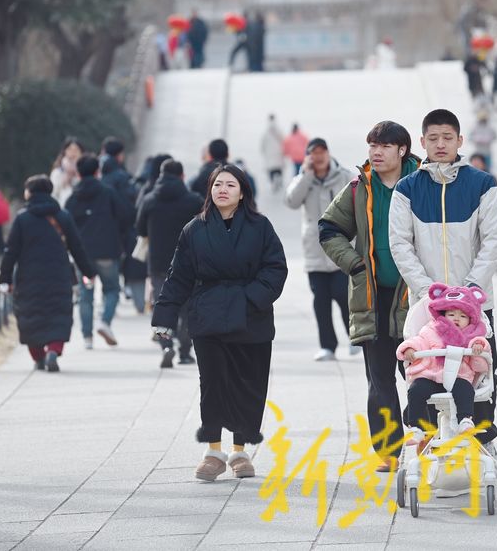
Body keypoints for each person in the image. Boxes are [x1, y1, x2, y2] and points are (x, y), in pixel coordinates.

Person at [151, 164, 287, 482]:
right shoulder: (194, 229)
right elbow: (178, 276)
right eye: (217, 185)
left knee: (248, 383)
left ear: (242, 193)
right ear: (210, 190)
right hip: (208, 316)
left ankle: (240, 450)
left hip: (251, 318)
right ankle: (213, 450)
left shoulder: (260, 226)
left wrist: (251, 299)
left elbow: (276, 268)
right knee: (212, 383)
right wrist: (164, 316)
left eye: (230, 185)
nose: (222, 190)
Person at [389, 108, 497, 451]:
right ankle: (428, 436)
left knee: (481, 369)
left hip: (476, 305)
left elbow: (494, 242)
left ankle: (479, 439)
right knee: (423, 371)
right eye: (434, 138)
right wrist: (427, 292)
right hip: (426, 307)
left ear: (460, 141)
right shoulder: (406, 189)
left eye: (448, 138)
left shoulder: (483, 185)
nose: (441, 144)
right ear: (422, 142)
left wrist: (471, 290)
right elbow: (399, 244)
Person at [320, 121, 420, 470]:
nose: (375, 153)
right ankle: (389, 452)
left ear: (402, 150)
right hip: (373, 298)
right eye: (372, 146)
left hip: (417, 298)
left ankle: (427, 439)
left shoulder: (423, 184)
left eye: (383, 146)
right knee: (379, 379)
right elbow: (329, 229)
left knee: (422, 374)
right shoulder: (358, 189)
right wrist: (355, 266)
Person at [0, 175, 96, 372]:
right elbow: (77, 247)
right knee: (58, 313)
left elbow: (11, 252)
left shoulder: (22, 218)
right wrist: (88, 272)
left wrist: (5, 279)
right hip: (58, 275)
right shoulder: (63, 216)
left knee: (30, 316)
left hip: (28, 277)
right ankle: (53, 350)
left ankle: (39, 357)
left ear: (29, 193)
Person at [284, 137, 352, 361]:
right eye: (314, 153)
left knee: (345, 296)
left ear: (328, 153)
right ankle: (328, 346)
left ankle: (355, 339)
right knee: (320, 301)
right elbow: (291, 201)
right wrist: (306, 176)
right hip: (315, 250)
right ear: (308, 156)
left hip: (341, 249)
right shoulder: (304, 179)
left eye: (322, 151)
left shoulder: (344, 176)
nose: (319, 156)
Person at [397, 283, 491, 444]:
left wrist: (478, 347)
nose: (456, 318)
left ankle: (465, 420)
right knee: (416, 390)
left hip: (458, 376)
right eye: (451, 314)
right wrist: (410, 349)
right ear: (442, 314)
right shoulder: (432, 329)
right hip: (431, 376)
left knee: (465, 390)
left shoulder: (473, 336)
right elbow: (420, 341)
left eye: (462, 316)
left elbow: (480, 366)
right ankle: (416, 427)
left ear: (471, 319)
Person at [137, 159, 204, 368]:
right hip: (188, 263)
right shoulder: (193, 200)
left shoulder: (149, 200)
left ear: (160, 176)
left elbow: (139, 229)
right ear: (182, 176)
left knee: (162, 307)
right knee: (187, 309)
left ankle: (166, 346)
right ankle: (185, 351)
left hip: (158, 264)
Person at [65, 154, 128, 348]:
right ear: (97, 171)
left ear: (78, 172)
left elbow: (66, 225)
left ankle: (87, 338)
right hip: (107, 252)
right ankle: (105, 322)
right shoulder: (108, 193)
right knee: (112, 289)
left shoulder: (73, 198)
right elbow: (124, 216)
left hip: (82, 256)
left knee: (85, 295)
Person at [100, 137, 142, 313]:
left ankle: (107, 303)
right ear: (119, 155)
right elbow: (129, 204)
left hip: (101, 227)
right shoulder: (122, 176)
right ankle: (114, 301)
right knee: (120, 261)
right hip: (121, 227)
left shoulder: (99, 174)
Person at [50, 137, 84, 206]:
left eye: (76, 149)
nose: (73, 152)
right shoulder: (57, 173)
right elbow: (53, 194)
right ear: (64, 151)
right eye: (70, 149)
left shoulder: (86, 171)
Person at [261, 115, 285, 192]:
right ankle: (279, 179)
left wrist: (264, 152)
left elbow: (263, 144)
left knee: (271, 169)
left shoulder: (266, 132)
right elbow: (284, 141)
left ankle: (273, 181)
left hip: (269, 154)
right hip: (278, 152)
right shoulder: (279, 131)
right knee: (278, 168)